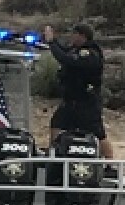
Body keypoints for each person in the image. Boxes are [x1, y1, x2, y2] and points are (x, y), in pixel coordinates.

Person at [43, 22, 113, 159]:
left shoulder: (90, 54)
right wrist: (51, 41)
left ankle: (111, 163)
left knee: (98, 132)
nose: (71, 37)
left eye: (74, 34)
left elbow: (66, 59)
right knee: (57, 123)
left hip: (87, 102)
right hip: (71, 100)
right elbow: (63, 51)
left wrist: (51, 43)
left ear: (82, 36)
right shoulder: (75, 50)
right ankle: (53, 154)